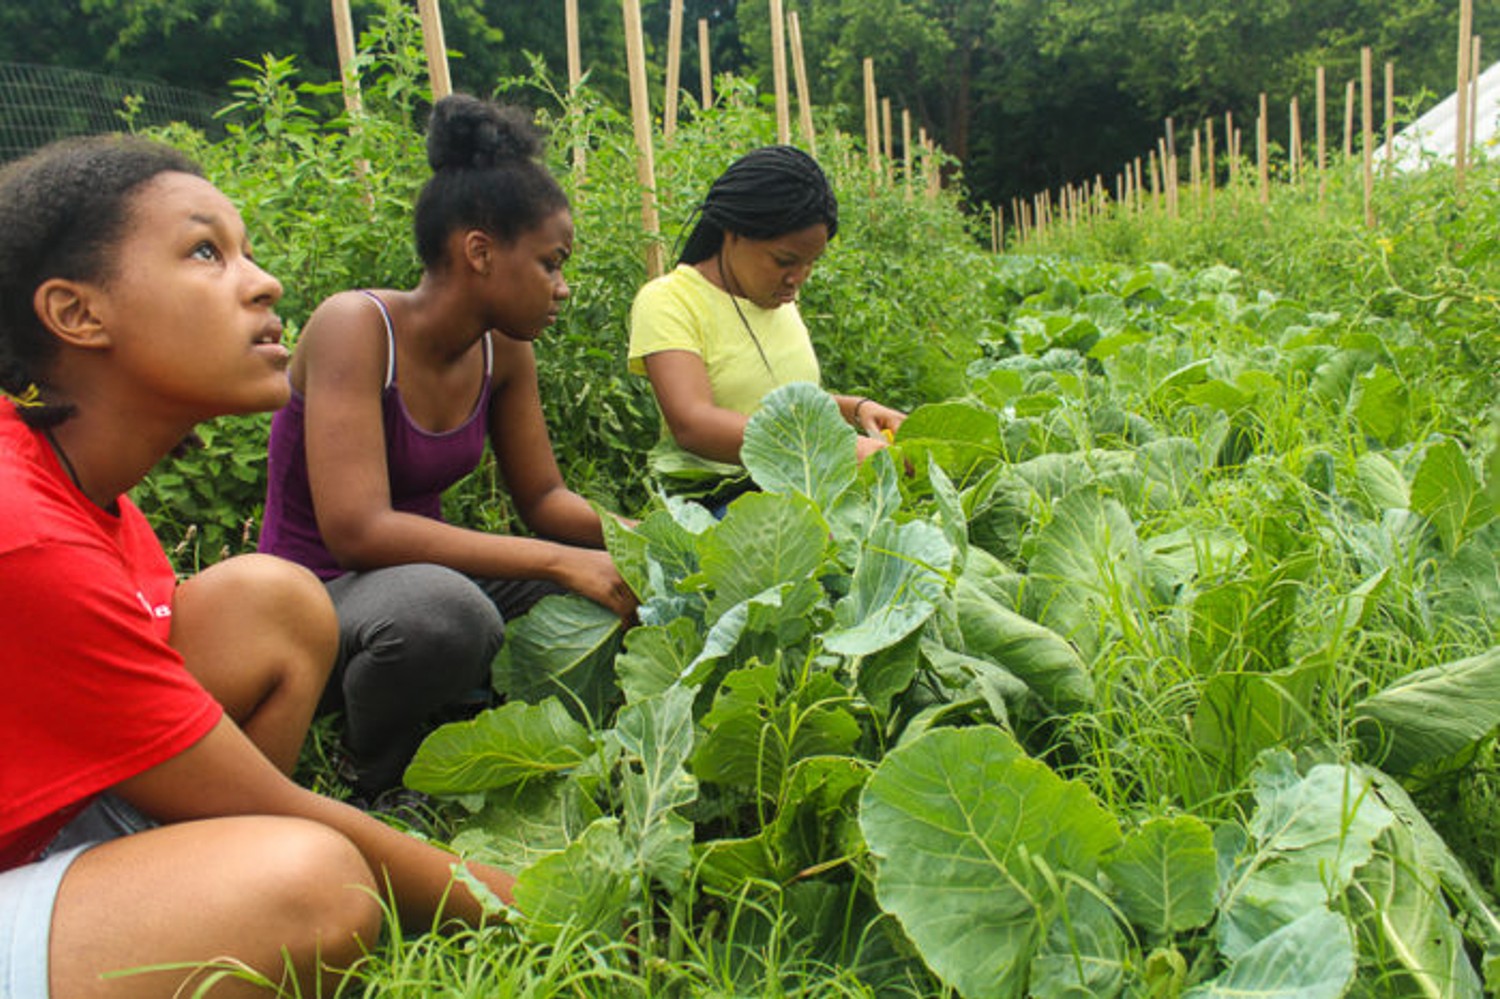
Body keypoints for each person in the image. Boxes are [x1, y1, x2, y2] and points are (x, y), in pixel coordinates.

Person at [0, 134, 515, 999]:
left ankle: (169, 894)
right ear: (77, 314)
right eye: (207, 252)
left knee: (272, 600)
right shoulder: (26, 532)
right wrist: (532, 904)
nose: (265, 282)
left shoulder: (98, 504)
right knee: (315, 882)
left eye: (245, 250)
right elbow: (278, 811)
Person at [258, 94, 637, 802]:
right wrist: (561, 558)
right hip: (313, 600)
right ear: (480, 252)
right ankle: (372, 775)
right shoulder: (356, 328)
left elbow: (545, 500)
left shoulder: (504, 352)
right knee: (449, 612)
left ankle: (483, 732)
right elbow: (359, 531)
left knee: (598, 589)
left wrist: (640, 541)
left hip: (413, 583)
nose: (562, 288)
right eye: (551, 264)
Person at [627, 144, 907, 510]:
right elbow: (693, 423)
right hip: (714, 505)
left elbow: (776, 403)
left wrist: (855, 409)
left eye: (810, 263)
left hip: (797, 495)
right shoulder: (670, 300)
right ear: (734, 233)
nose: (797, 278)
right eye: (785, 260)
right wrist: (829, 448)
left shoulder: (777, 298)